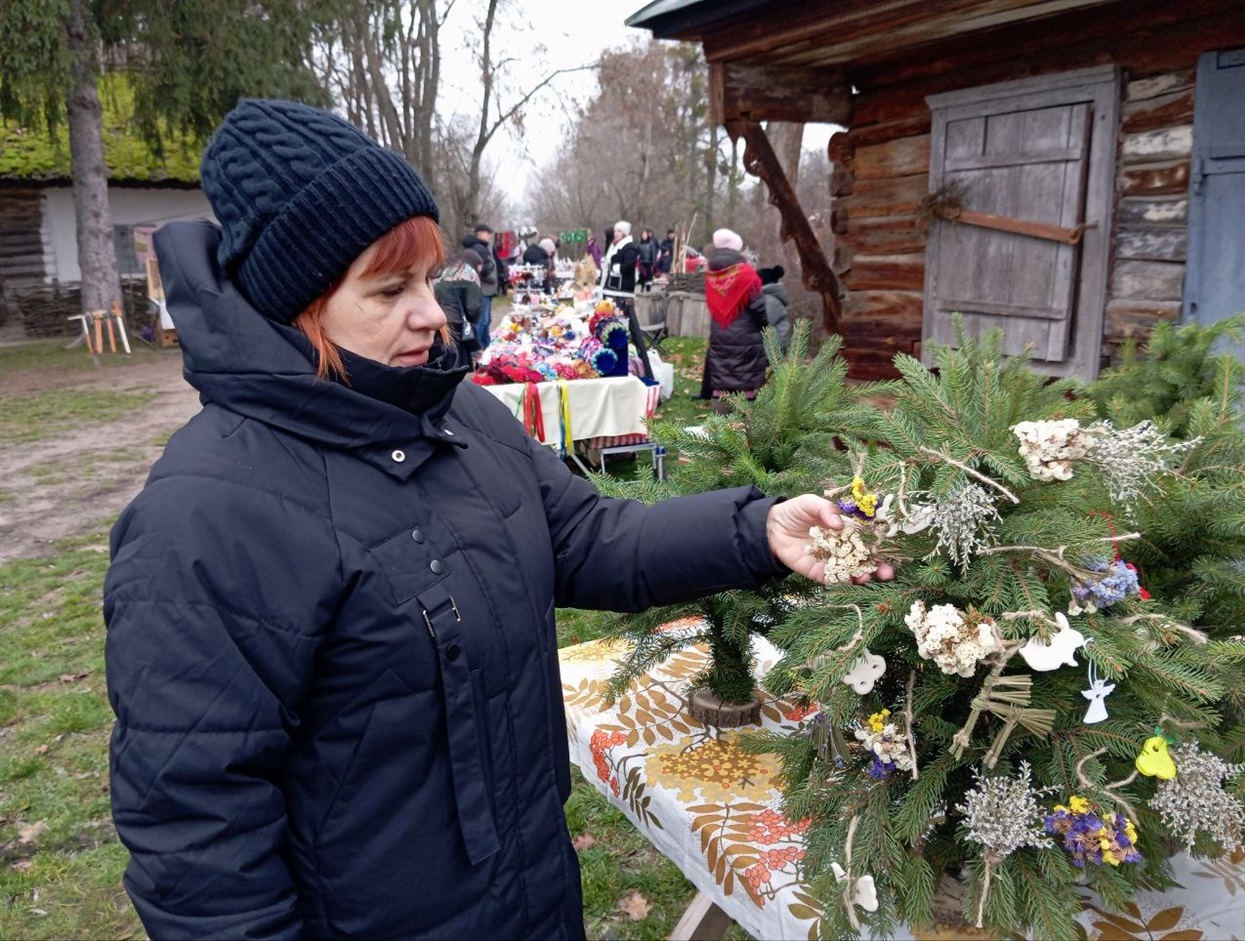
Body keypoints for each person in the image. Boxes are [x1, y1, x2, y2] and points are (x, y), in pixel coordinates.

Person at [103, 99, 892, 941]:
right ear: (296, 306)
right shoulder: (204, 516)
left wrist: (756, 528)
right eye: (389, 289)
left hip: (532, 899)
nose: (434, 313)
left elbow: (591, 539)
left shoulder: (460, 420)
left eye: (428, 280)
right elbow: (196, 840)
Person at [702, 228, 769, 413]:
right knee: (746, 380)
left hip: (720, 333)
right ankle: (745, 426)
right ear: (736, 249)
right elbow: (759, 309)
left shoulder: (711, 274)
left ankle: (721, 421)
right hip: (746, 337)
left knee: (722, 375)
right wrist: (766, 327)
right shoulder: (747, 274)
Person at [599, 220, 652, 379]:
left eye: (619, 232)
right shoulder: (615, 246)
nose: (616, 234)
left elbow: (629, 265)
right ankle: (614, 366)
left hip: (623, 294)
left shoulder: (629, 247)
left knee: (630, 330)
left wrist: (617, 270)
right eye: (615, 231)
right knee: (612, 328)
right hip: (612, 291)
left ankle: (645, 371)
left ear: (625, 234)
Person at [432, 248, 484, 368]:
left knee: (444, 355)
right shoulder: (468, 274)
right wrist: (473, 320)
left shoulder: (442, 270)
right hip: (457, 320)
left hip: (438, 319)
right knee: (458, 359)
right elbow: (473, 306)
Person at [463, 222, 497, 350]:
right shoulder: (479, 248)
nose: (489, 236)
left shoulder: (480, 247)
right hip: (482, 289)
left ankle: (486, 344)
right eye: (488, 234)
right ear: (481, 233)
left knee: (486, 320)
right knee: (481, 321)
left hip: (484, 289)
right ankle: (477, 348)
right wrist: (493, 278)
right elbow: (482, 269)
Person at [758, 264, 791, 355]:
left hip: (773, 350)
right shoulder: (770, 298)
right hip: (774, 347)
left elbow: (763, 323)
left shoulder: (769, 300)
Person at [636, 227, 660, 292]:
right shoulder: (639, 245)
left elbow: (653, 253)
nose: (644, 236)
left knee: (649, 275)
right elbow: (637, 253)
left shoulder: (651, 244)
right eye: (643, 235)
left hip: (649, 262)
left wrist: (654, 262)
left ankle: (648, 287)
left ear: (647, 236)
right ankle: (642, 286)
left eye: (645, 235)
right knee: (642, 275)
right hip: (642, 262)